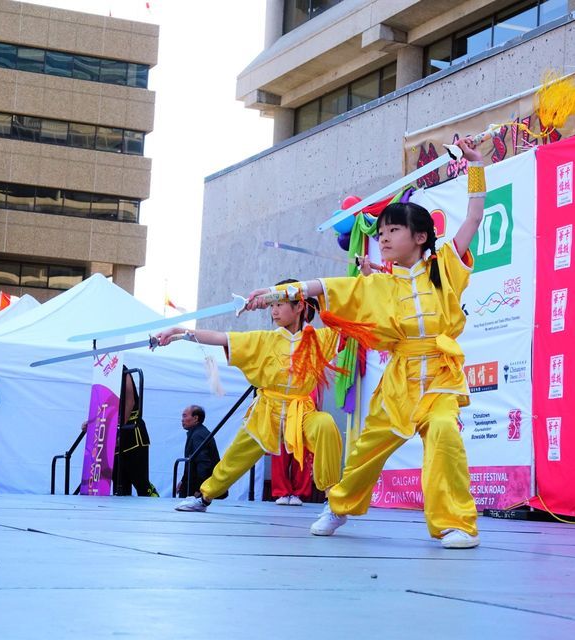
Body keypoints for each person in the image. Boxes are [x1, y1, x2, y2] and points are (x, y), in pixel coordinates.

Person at [243, 138, 486, 549]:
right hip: (400, 382)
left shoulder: (444, 266)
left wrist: (475, 170)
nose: (385, 238)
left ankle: (454, 522)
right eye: (383, 231)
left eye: (394, 230)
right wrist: (280, 292)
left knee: (444, 434)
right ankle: (339, 506)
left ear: (422, 236)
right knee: (369, 448)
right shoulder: (380, 285)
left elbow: (473, 219)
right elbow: (332, 288)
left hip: (441, 377)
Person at [155, 279, 343, 513]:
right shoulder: (264, 340)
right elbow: (220, 337)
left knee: (325, 424)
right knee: (236, 456)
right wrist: (177, 331)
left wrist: (358, 279)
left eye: (280, 303)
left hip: (302, 412)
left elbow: (346, 324)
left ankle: (333, 501)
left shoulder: (319, 339)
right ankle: (204, 497)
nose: (273, 310)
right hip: (267, 412)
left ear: (299, 307)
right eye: (272, 305)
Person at [271, 387, 322, 506]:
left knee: (303, 454)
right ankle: (282, 492)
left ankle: (298, 492)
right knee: (280, 454)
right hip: (283, 414)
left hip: (304, 412)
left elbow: (316, 396)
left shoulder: (311, 372)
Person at [113, 367, 159, 497]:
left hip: (131, 431)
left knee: (140, 480)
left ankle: (154, 510)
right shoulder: (102, 375)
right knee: (118, 480)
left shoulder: (120, 368)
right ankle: (119, 514)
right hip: (115, 432)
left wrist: (119, 428)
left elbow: (130, 401)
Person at [178, 405, 219, 499]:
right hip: (194, 485)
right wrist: (183, 481)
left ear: (196, 418)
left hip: (198, 489)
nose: (182, 419)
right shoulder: (197, 432)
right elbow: (192, 462)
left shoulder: (198, 435)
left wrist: (199, 489)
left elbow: (203, 463)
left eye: (185, 416)